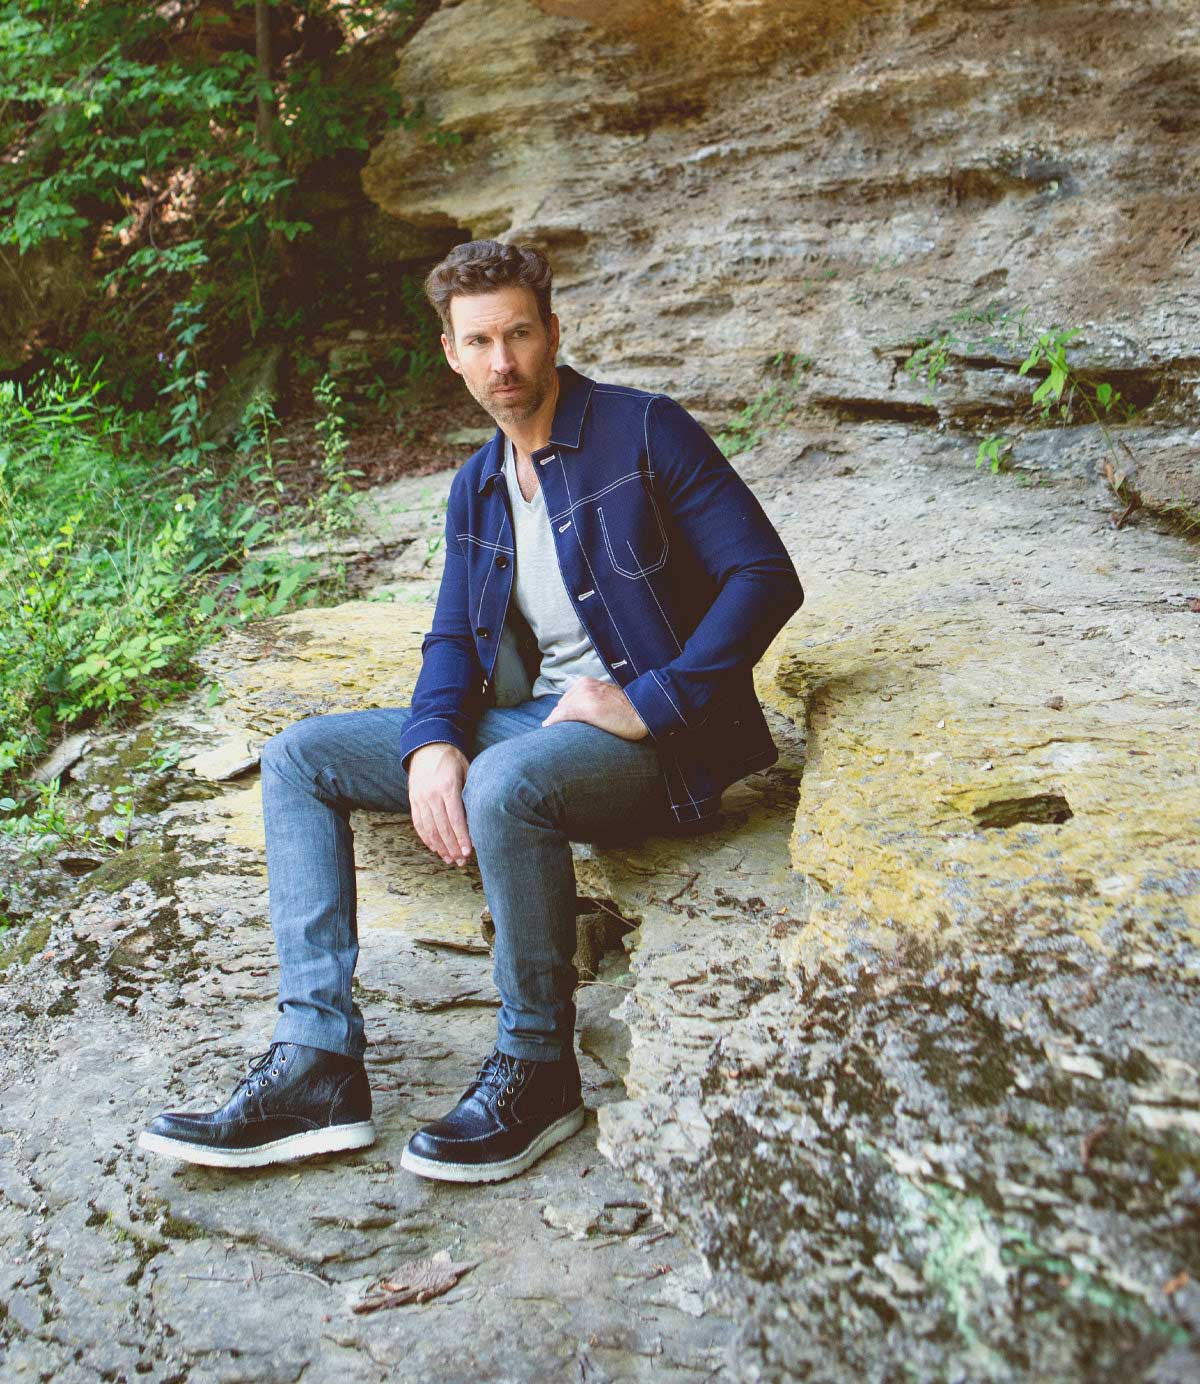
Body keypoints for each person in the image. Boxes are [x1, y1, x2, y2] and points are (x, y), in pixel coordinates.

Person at [138, 240, 804, 1182]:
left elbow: (764, 576)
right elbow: (453, 642)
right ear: (449, 351)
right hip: (538, 722)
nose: (504, 364)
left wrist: (652, 699)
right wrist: (430, 744)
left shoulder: (646, 431)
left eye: (521, 335)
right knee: (297, 758)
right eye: (480, 341)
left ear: (553, 332)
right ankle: (318, 1065)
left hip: (660, 742)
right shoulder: (477, 484)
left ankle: (538, 1071)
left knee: (506, 778)